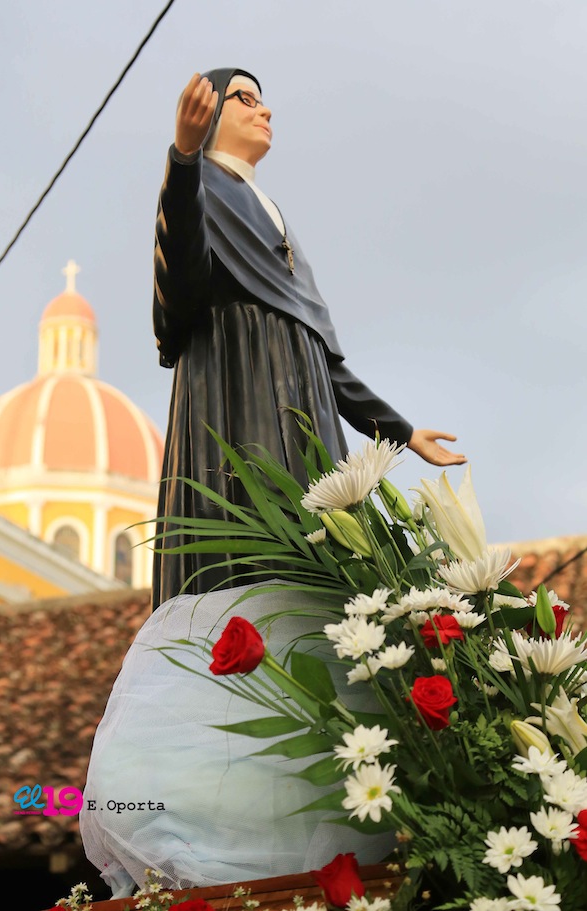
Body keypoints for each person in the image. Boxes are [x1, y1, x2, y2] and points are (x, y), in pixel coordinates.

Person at [151, 68, 466, 610]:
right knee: (254, 551)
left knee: (322, 551)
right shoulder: (195, 186)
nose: (265, 110)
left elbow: (321, 354)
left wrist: (400, 430)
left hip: (304, 405)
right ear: (206, 115)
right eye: (245, 99)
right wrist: (182, 158)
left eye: (265, 101)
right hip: (237, 392)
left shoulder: (275, 213)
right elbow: (179, 282)